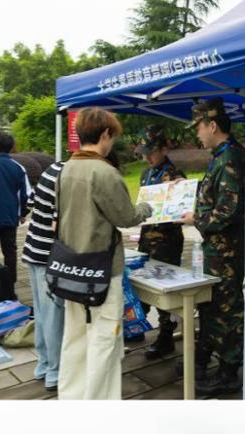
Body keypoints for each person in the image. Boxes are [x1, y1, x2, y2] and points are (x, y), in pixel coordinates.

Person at [56, 108, 152, 400]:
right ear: (106, 134)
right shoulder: (105, 172)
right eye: (113, 136)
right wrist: (146, 208)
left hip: (70, 267)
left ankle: (71, 396)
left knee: (74, 337)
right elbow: (126, 217)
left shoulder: (67, 168)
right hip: (102, 269)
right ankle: (98, 401)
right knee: (105, 338)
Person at [181, 98, 245, 397]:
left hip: (227, 253)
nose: (197, 134)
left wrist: (196, 219)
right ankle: (210, 363)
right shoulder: (221, 156)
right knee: (212, 308)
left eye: (199, 127)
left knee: (227, 312)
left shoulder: (230, 158)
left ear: (213, 125)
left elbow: (227, 211)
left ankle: (229, 374)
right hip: (217, 251)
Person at [135, 126, 186, 360]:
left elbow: (182, 212)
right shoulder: (145, 174)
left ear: (164, 149)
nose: (147, 157)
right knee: (143, 284)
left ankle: (166, 335)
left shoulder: (175, 176)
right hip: (147, 238)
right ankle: (137, 324)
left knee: (165, 288)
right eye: (144, 153)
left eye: (152, 152)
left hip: (167, 242)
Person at [20, 158, 66, 392]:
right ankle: (55, 372)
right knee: (53, 317)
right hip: (49, 256)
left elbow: (30, 201)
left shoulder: (53, 169)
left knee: (41, 314)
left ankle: (43, 364)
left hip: (33, 250)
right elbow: (59, 224)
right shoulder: (68, 177)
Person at [0, 131, 31, 304]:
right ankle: (10, 287)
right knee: (10, 253)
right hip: (9, 218)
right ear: (12, 147)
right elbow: (27, 195)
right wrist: (23, 214)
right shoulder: (18, 168)